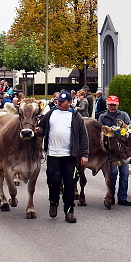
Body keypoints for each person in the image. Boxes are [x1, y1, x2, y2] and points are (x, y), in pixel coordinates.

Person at [39, 90, 88, 223]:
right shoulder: (50, 114)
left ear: (70, 102)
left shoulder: (75, 116)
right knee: (53, 182)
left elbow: (83, 136)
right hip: (53, 155)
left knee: (70, 184)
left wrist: (84, 154)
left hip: (70, 156)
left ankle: (69, 211)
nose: (59, 103)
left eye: (62, 101)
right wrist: (39, 131)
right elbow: (41, 128)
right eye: (58, 101)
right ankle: (53, 203)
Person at [97, 95, 131, 206]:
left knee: (125, 173)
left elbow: (130, 129)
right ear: (107, 105)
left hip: (123, 150)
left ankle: (122, 198)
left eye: (114, 105)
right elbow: (99, 132)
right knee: (112, 173)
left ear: (118, 105)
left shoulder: (124, 115)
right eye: (110, 105)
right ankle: (110, 195)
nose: (112, 107)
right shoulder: (102, 117)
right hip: (110, 151)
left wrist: (125, 128)